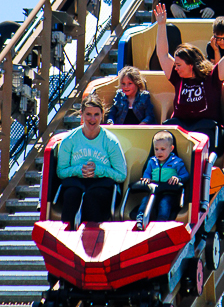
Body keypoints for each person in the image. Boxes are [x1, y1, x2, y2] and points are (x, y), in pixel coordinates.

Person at [154, 3, 224, 151]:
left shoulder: (212, 76)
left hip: (205, 128)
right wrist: (161, 25)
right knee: (163, 138)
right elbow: (162, 54)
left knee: (200, 142)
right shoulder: (178, 77)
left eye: (179, 65)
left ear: (191, 65)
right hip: (180, 126)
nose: (175, 68)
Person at [56, 93, 127, 227]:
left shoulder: (110, 141)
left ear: (102, 115)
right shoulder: (69, 139)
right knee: (71, 195)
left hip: (102, 185)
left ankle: (92, 233)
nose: (92, 119)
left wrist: (97, 170)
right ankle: (67, 230)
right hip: (76, 182)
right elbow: (61, 172)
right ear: (82, 114)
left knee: (92, 198)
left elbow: (121, 174)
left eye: (96, 114)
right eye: (88, 114)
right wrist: (79, 170)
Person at [135, 131, 189, 230]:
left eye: (162, 149)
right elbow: (147, 173)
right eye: (156, 149)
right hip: (154, 192)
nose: (159, 152)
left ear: (171, 148)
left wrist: (178, 178)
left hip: (169, 193)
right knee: (145, 201)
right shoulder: (152, 162)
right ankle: (140, 220)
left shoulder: (177, 162)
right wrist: (147, 178)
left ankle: (161, 223)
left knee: (164, 203)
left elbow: (185, 175)